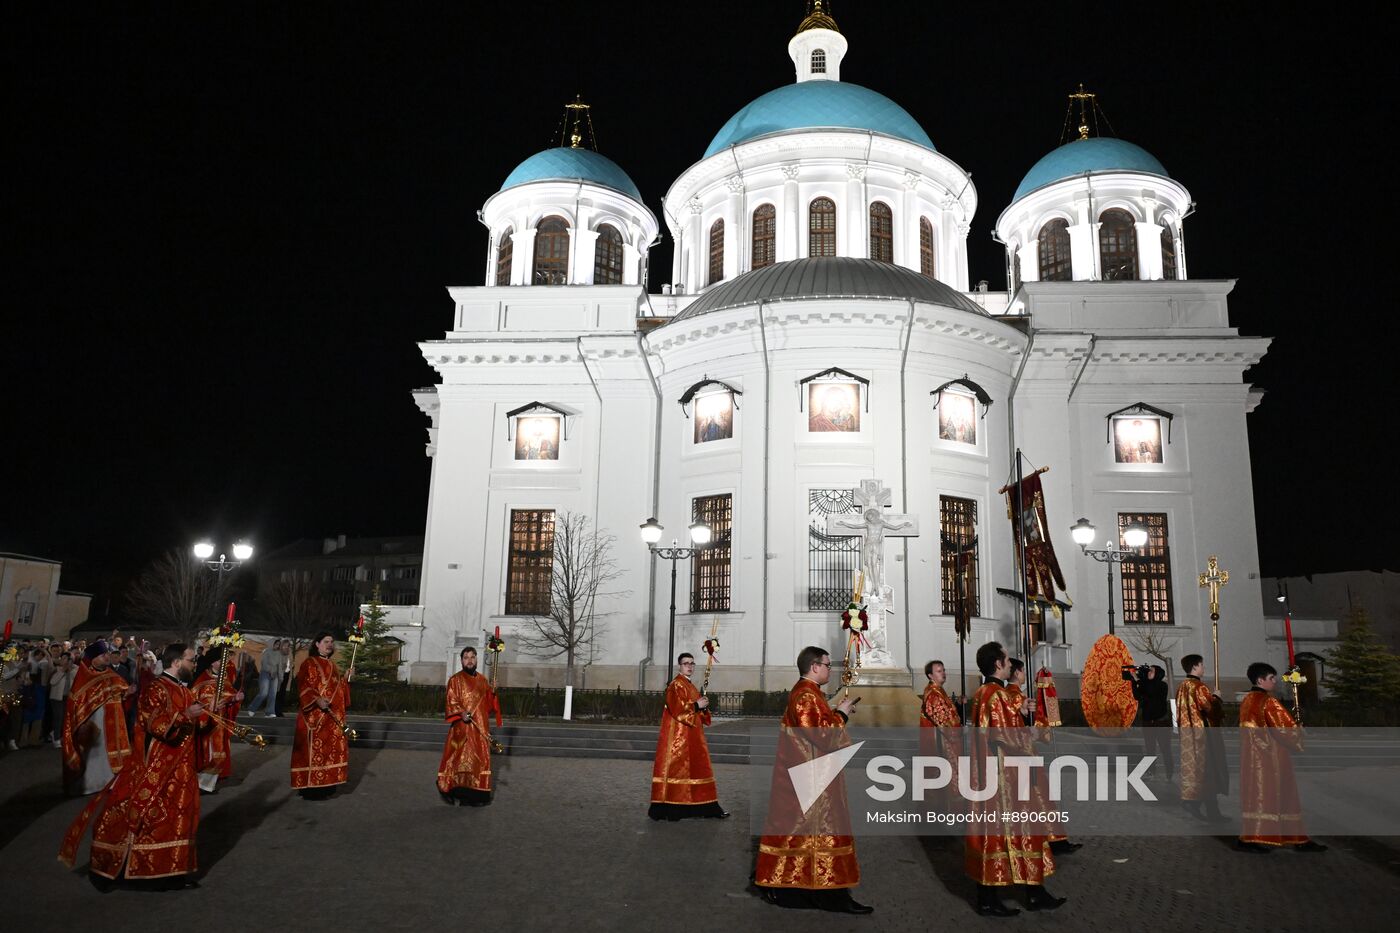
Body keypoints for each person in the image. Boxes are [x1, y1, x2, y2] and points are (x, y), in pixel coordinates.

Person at [60, 643, 209, 891]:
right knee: (144, 820)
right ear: (176, 662)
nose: (194, 664)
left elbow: (198, 727)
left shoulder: (185, 691)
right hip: (154, 769)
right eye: (191, 660)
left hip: (181, 770)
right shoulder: (156, 688)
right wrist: (186, 716)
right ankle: (128, 872)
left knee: (178, 820)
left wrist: (209, 712)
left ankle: (171, 872)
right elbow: (156, 726)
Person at [755, 646, 871, 914]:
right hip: (812, 780)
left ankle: (809, 891)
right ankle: (825, 894)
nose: (831, 669)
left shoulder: (808, 693)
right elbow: (823, 736)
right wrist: (840, 713)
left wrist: (835, 711)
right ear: (814, 666)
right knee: (816, 834)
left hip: (813, 776)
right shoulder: (805, 696)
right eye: (828, 665)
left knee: (803, 836)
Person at [965, 641, 1063, 916]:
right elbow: (1004, 736)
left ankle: (1027, 892)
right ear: (998, 664)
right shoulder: (995, 695)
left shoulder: (984, 693)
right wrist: (1032, 732)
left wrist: (1017, 712)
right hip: (1006, 778)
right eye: (1007, 661)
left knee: (999, 836)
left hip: (995, 775)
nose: (1010, 664)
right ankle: (1011, 896)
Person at [1237, 662, 1326, 853]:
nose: (1274, 681)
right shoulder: (1268, 702)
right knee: (1283, 795)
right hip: (1272, 758)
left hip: (1252, 759)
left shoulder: (1247, 700)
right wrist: (1298, 731)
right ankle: (1295, 838)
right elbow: (1284, 730)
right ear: (1260, 680)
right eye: (1271, 678)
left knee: (1257, 798)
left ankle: (1253, 835)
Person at [650, 652, 727, 821]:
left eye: (692, 663)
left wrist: (703, 706)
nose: (689, 666)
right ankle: (672, 809)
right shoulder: (676, 685)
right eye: (686, 663)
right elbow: (677, 709)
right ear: (679, 666)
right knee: (679, 773)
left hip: (692, 736)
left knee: (697, 770)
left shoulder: (690, 685)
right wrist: (696, 705)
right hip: (678, 739)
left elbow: (698, 712)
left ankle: (706, 807)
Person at [62, 640, 133, 796]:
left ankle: (110, 782)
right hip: (93, 722)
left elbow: (122, 693)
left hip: (114, 722)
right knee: (93, 755)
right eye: (103, 655)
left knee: (108, 755)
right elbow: (77, 705)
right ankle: (90, 785)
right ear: (93, 658)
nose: (107, 657)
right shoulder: (83, 677)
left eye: (107, 654)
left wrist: (128, 693)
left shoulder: (111, 674)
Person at [291, 632, 352, 800]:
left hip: (330, 718)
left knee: (327, 752)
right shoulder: (309, 663)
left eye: (332, 642)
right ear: (317, 644)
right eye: (326, 641)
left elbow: (337, 690)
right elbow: (304, 685)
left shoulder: (332, 665)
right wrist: (316, 699)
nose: (330, 644)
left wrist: (345, 679)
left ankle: (326, 786)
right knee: (312, 752)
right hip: (313, 716)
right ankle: (310, 789)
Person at [437, 646, 499, 806]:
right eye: (466, 657)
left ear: (477, 659)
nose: (470, 660)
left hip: (480, 728)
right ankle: (450, 790)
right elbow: (451, 701)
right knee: (457, 760)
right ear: (461, 660)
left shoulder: (483, 680)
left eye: (472, 657)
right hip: (462, 728)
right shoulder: (455, 680)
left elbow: (488, 707)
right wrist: (461, 713)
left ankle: (474, 796)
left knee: (478, 761)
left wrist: (493, 692)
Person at [1176, 654, 1228, 823]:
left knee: (1198, 772)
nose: (1203, 668)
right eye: (1202, 665)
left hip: (1188, 736)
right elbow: (1210, 710)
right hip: (1204, 737)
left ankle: (1205, 807)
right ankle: (1201, 806)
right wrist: (1217, 698)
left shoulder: (1182, 686)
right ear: (1195, 666)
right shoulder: (1199, 687)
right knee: (1209, 772)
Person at [193, 646, 243, 793]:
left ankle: (208, 785)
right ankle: (200, 784)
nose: (223, 662)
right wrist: (210, 705)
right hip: (205, 723)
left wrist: (234, 699)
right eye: (220, 660)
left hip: (220, 724)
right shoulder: (202, 678)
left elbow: (230, 697)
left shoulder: (225, 678)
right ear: (213, 662)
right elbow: (193, 700)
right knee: (205, 753)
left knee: (218, 752)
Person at [919, 659, 962, 818]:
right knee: (944, 775)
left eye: (943, 670)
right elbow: (942, 718)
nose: (943, 673)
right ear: (930, 675)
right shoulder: (933, 693)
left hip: (943, 740)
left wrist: (957, 705)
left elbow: (947, 711)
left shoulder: (939, 691)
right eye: (939, 671)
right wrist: (958, 730)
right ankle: (943, 812)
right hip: (940, 742)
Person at [1131, 664, 1173, 781]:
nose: (1149, 673)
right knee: (1150, 749)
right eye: (1149, 671)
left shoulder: (1162, 686)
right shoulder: (1145, 684)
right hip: (1148, 722)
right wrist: (1134, 681)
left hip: (1161, 722)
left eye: (1152, 671)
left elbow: (1151, 691)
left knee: (1165, 749)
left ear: (1158, 674)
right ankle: (1151, 772)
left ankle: (1169, 773)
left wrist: (1138, 679)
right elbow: (1137, 696)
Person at [246, 640, 284, 717]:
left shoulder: (280, 654)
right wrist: (271, 671)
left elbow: (280, 666)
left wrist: (281, 676)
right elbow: (264, 663)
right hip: (265, 674)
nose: (277, 646)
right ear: (272, 644)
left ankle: (269, 712)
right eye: (276, 644)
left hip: (275, 675)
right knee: (264, 693)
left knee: (273, 694)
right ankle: (252, 708)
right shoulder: (266, 651)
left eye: (279, 644)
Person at [48, 650, 75, 750]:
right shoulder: (57, 669)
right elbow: (52, 682)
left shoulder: (74, 669)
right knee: (58, 717)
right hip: (57, 698)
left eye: (66, 659)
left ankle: (56, 733)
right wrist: (63, 671)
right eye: (62, 658)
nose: (63, 660)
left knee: (65, 718)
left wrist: (70, 669)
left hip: (68, 697)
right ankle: (56, 738)